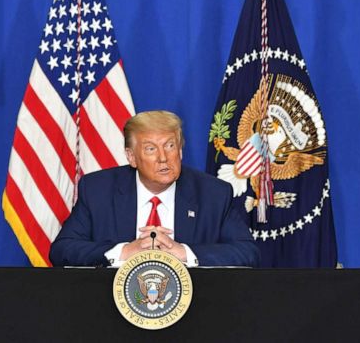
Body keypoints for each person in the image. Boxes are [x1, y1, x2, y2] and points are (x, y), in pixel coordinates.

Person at [49, 110, 259, 267]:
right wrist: (123, 251)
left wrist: (184, 252)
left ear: (180, 150)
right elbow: (62, 250)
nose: (163, 158)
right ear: (131, 157)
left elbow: (248, 252)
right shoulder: (98, 190)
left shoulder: (213, 193)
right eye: (150, 149)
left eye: (170, 146)